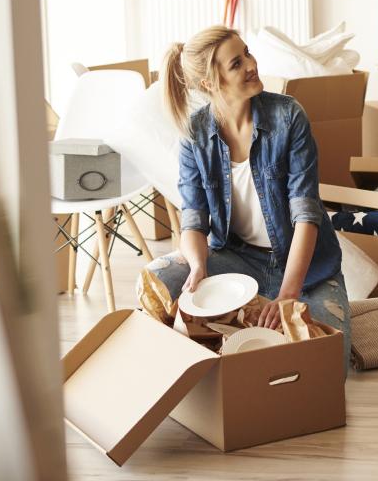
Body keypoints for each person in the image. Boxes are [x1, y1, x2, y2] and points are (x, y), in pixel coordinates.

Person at [139, 25, 352, 368]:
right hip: (238, 261)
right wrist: (198, 267)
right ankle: (216, 339)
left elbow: (307, 216)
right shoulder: (195, 134)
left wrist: (287, 296)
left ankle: (253, 315)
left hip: (307, 269)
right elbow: (194, 217)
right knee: (158, 277)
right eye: (236, 64)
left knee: (328, 364)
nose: (251, 65)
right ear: (210, 83)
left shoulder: (288, 117)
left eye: (247, 54)